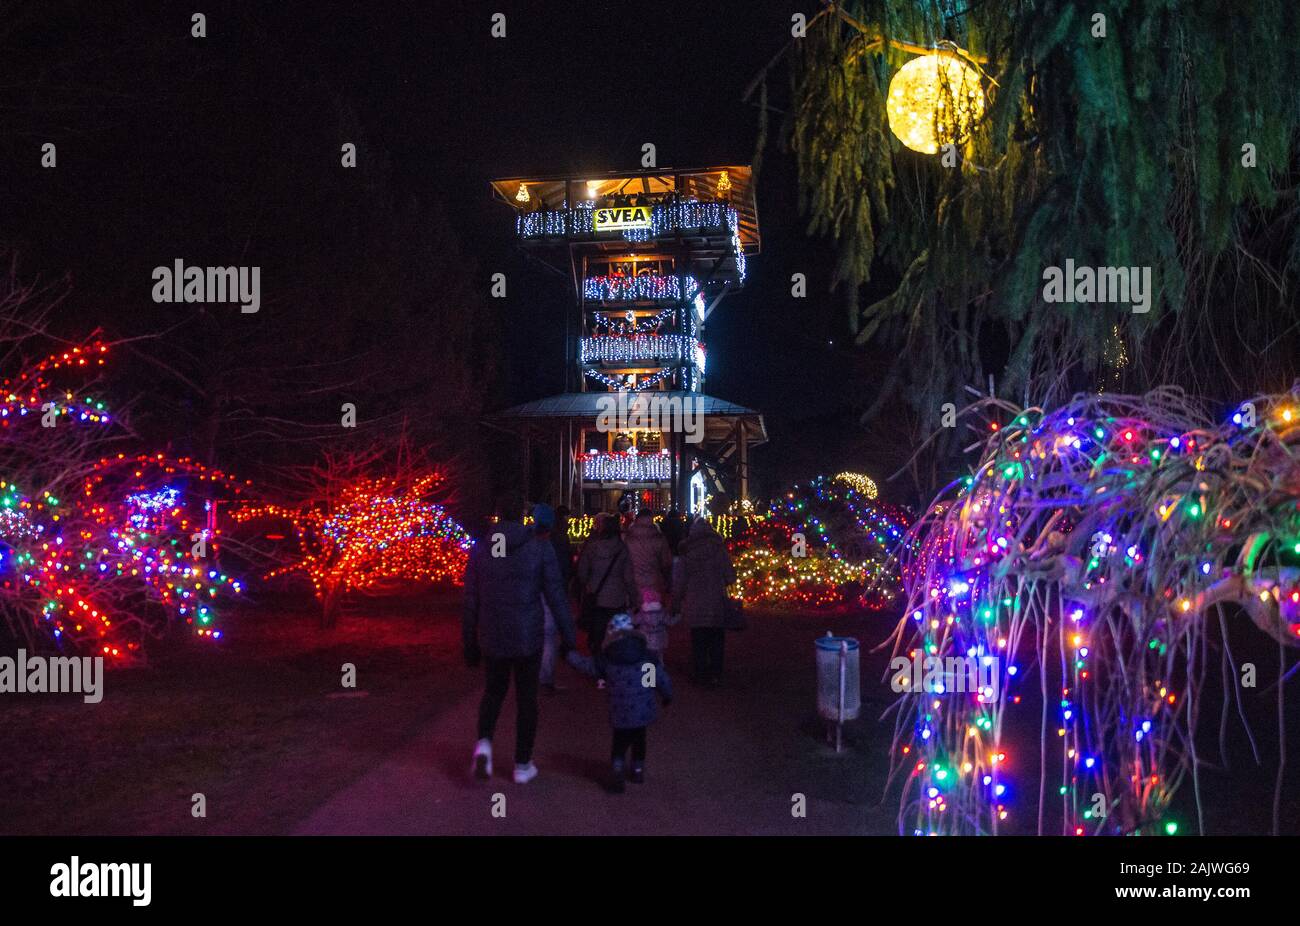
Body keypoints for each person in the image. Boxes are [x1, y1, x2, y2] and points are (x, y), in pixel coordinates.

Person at [462, 493, 577, 784]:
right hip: (527, 635)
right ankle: (522, 764)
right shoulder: (539, 547)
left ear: (497, 514)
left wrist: (469, 641)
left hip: (493, 633)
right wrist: (569, 634)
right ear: (523, 516)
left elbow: (471, 600)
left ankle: (485, 745)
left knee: (493, 692)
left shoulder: (481, 549)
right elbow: (555, 594)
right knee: (527, 700)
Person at [566, 613, 673, 793]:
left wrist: (570, 655)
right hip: (642, 711)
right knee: (640, 740)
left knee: (620, 741)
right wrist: (666, 694)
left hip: (620, 711)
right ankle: (637, 769)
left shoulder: (608, 659)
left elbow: (588, 666)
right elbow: (658, 679)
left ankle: (617, 769)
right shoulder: (645, 657)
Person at [671, 516, 736, 686]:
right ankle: (715, 673)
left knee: (698, 640)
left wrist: (676, 602)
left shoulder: (686, 552)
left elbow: (680, 581)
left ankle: (700, 673)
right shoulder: (719, 549)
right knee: (716, 639)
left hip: (695, 602)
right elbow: (730, 576)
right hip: (716, 601)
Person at [576, 512, 636, 669]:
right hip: (617, 597)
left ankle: (599, 665)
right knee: (617, 634)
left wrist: (587, 585)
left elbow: (582, 571)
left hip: (596, 596)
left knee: (598, 633)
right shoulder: (622, 549)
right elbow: (628, 577)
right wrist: (634, 598)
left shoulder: (592, 548)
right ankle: (614, 665)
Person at [531, 503, 568, 694]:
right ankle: (544, 678)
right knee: (548, 636)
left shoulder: (525, 540)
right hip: (546, 594)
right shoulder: (555, 541)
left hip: (528, 595)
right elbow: (557, 573)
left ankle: (532, 677)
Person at [625, 509, 673, 649]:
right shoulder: (658, 538)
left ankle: (637, 649)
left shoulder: (629, 537)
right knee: (654, 618)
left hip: (634, 582)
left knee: (636, 618)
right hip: (653, 582)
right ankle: (653, 650)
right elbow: (666, 562)